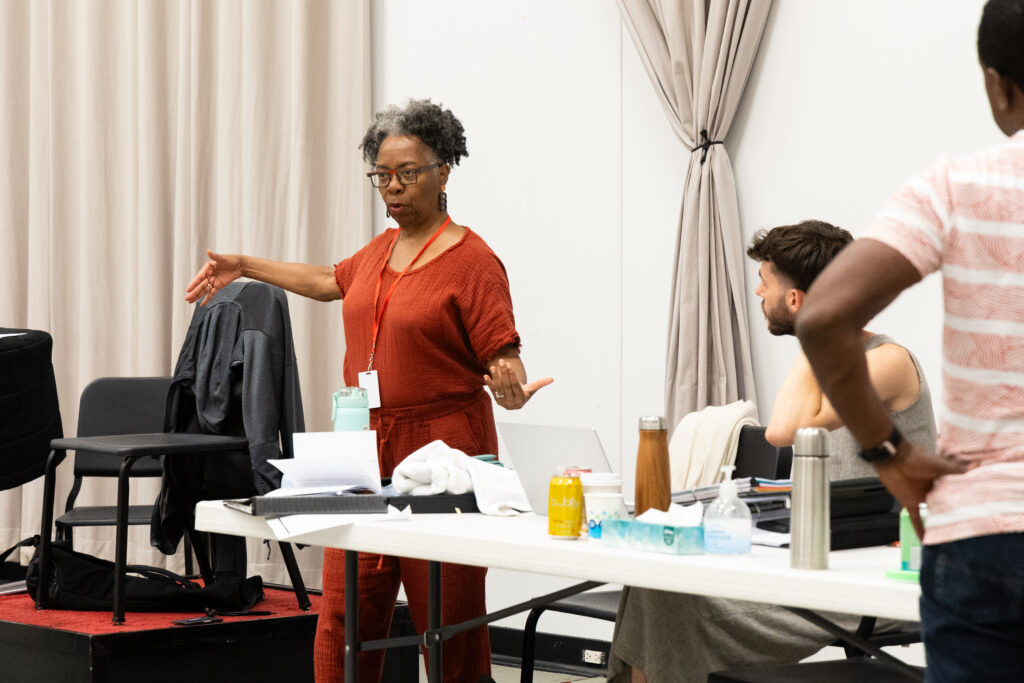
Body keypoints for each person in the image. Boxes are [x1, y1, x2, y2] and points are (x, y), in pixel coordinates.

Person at [186, 98, 553, 683]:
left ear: (444, 172)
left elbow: (503, 360)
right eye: (382, 175)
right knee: (344, 620)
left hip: (444, 452)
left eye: (407, 174)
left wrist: (510, 389)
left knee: (448, 621)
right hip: (360, 448)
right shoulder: (378, 251)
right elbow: (330, 280)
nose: (393, 187)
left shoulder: (472, 261)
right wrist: (244, 265)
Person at [796, 1, 1024, 679]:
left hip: (984, 533)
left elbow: (822, 316)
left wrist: (890, 452)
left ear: (997, 85)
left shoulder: (959, 185)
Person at [607, 220, 936, 682]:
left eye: (765, 283)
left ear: (797, 299)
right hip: (818, 562)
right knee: (656, 582)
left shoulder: (888, 362)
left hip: (870, 580)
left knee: (670, 603)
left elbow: (782, 430)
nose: (759, 294)